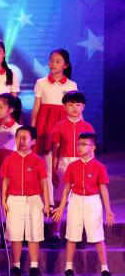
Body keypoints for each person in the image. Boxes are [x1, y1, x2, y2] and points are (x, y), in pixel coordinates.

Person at [52, 132, 115, 276]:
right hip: (76, 200)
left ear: (93, 147)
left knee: (98, 237)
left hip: (92, 201)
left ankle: (105, 269)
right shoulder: (72, 166)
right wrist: (61, 207)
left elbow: (103, 190)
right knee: (72, 236)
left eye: (83, 144)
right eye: (78, 144)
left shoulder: (99, 167)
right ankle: (68, 268)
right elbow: (67, 188)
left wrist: (108, 210)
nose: (80, 147)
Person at [0, 125, 49, 276]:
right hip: (14, 199)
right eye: (18, 137)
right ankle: (16, 265)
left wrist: (47, 203)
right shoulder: (9, 159)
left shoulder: (38, 161)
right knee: (15, 233)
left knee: (34, 233)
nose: (20, 141)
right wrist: (3, 199)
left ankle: (34, 266)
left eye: (24, 138)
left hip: (33, 199)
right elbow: (5, 181)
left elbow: (43, 183)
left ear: (33, 141)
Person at [31, 49, 76, 207]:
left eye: (58, 61)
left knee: (63, 166)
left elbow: (75, 110)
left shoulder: (71, 85)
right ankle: (49, 203)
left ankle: (63, 200)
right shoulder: (41, 82)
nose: (53, 64)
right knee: (49, 167)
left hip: (64, 127)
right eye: (51, 60)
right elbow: (36, 108)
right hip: (45, 128)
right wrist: (33, 129)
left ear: (65, 65)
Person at [50, 90, 95, 246]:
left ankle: (78, 235)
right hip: (65, 164)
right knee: (60, 200)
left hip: (84, 164)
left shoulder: (88, 127)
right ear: (64, 107)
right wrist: (54, 171)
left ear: (83, 107)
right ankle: (55, 233)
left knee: (81, 200)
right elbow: (55, 151)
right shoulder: (59, 126)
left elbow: (92, 151)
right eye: (71, 105)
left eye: (78, 105)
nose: (74, 108)